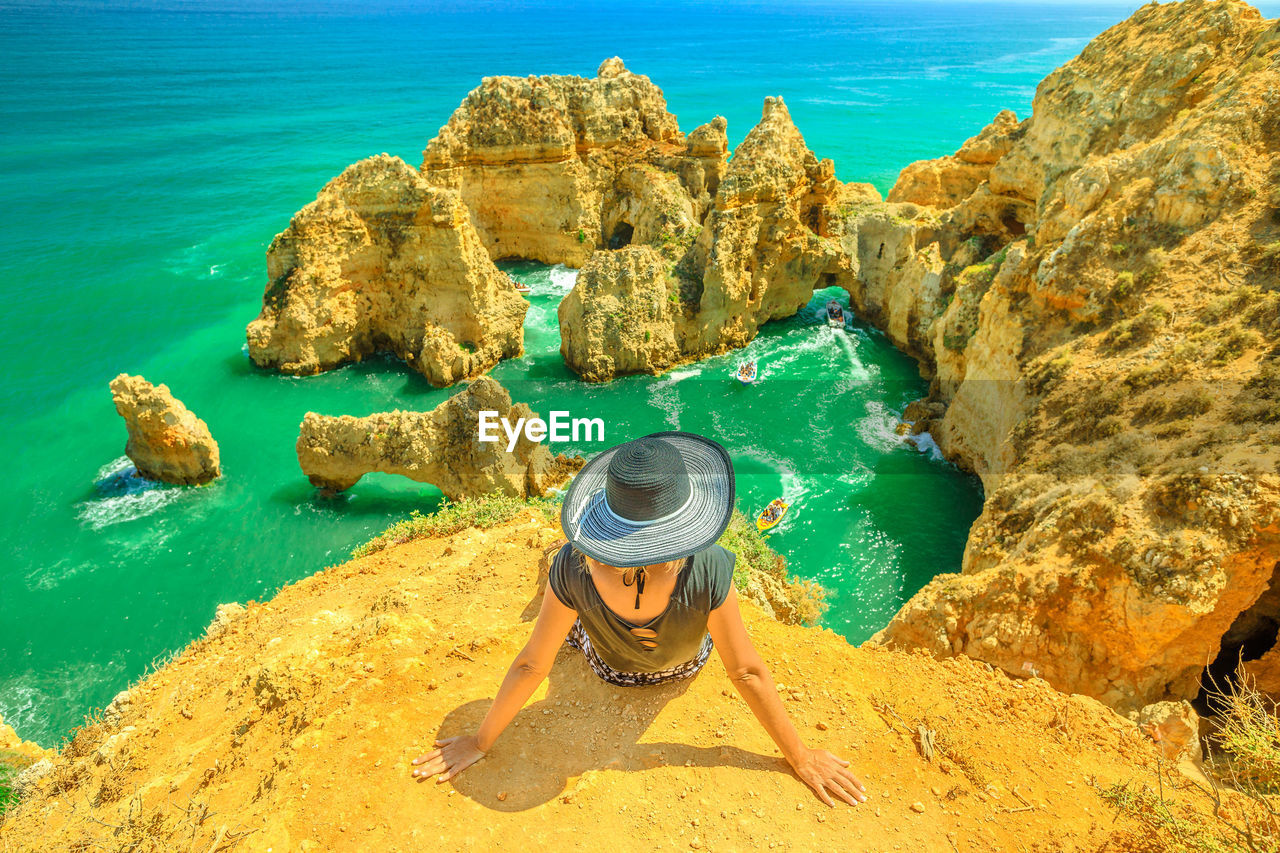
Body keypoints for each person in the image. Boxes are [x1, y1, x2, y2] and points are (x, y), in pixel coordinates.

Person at [410, 432, 867, 807]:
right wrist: (800, 755)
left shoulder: (575, 565)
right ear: (686, 518)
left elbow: (532, 665)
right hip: (686, 665)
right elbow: (745, 671)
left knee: (563, 586)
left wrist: (480, 742)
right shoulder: (709, 566)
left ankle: (551, 581)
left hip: (615, 672)